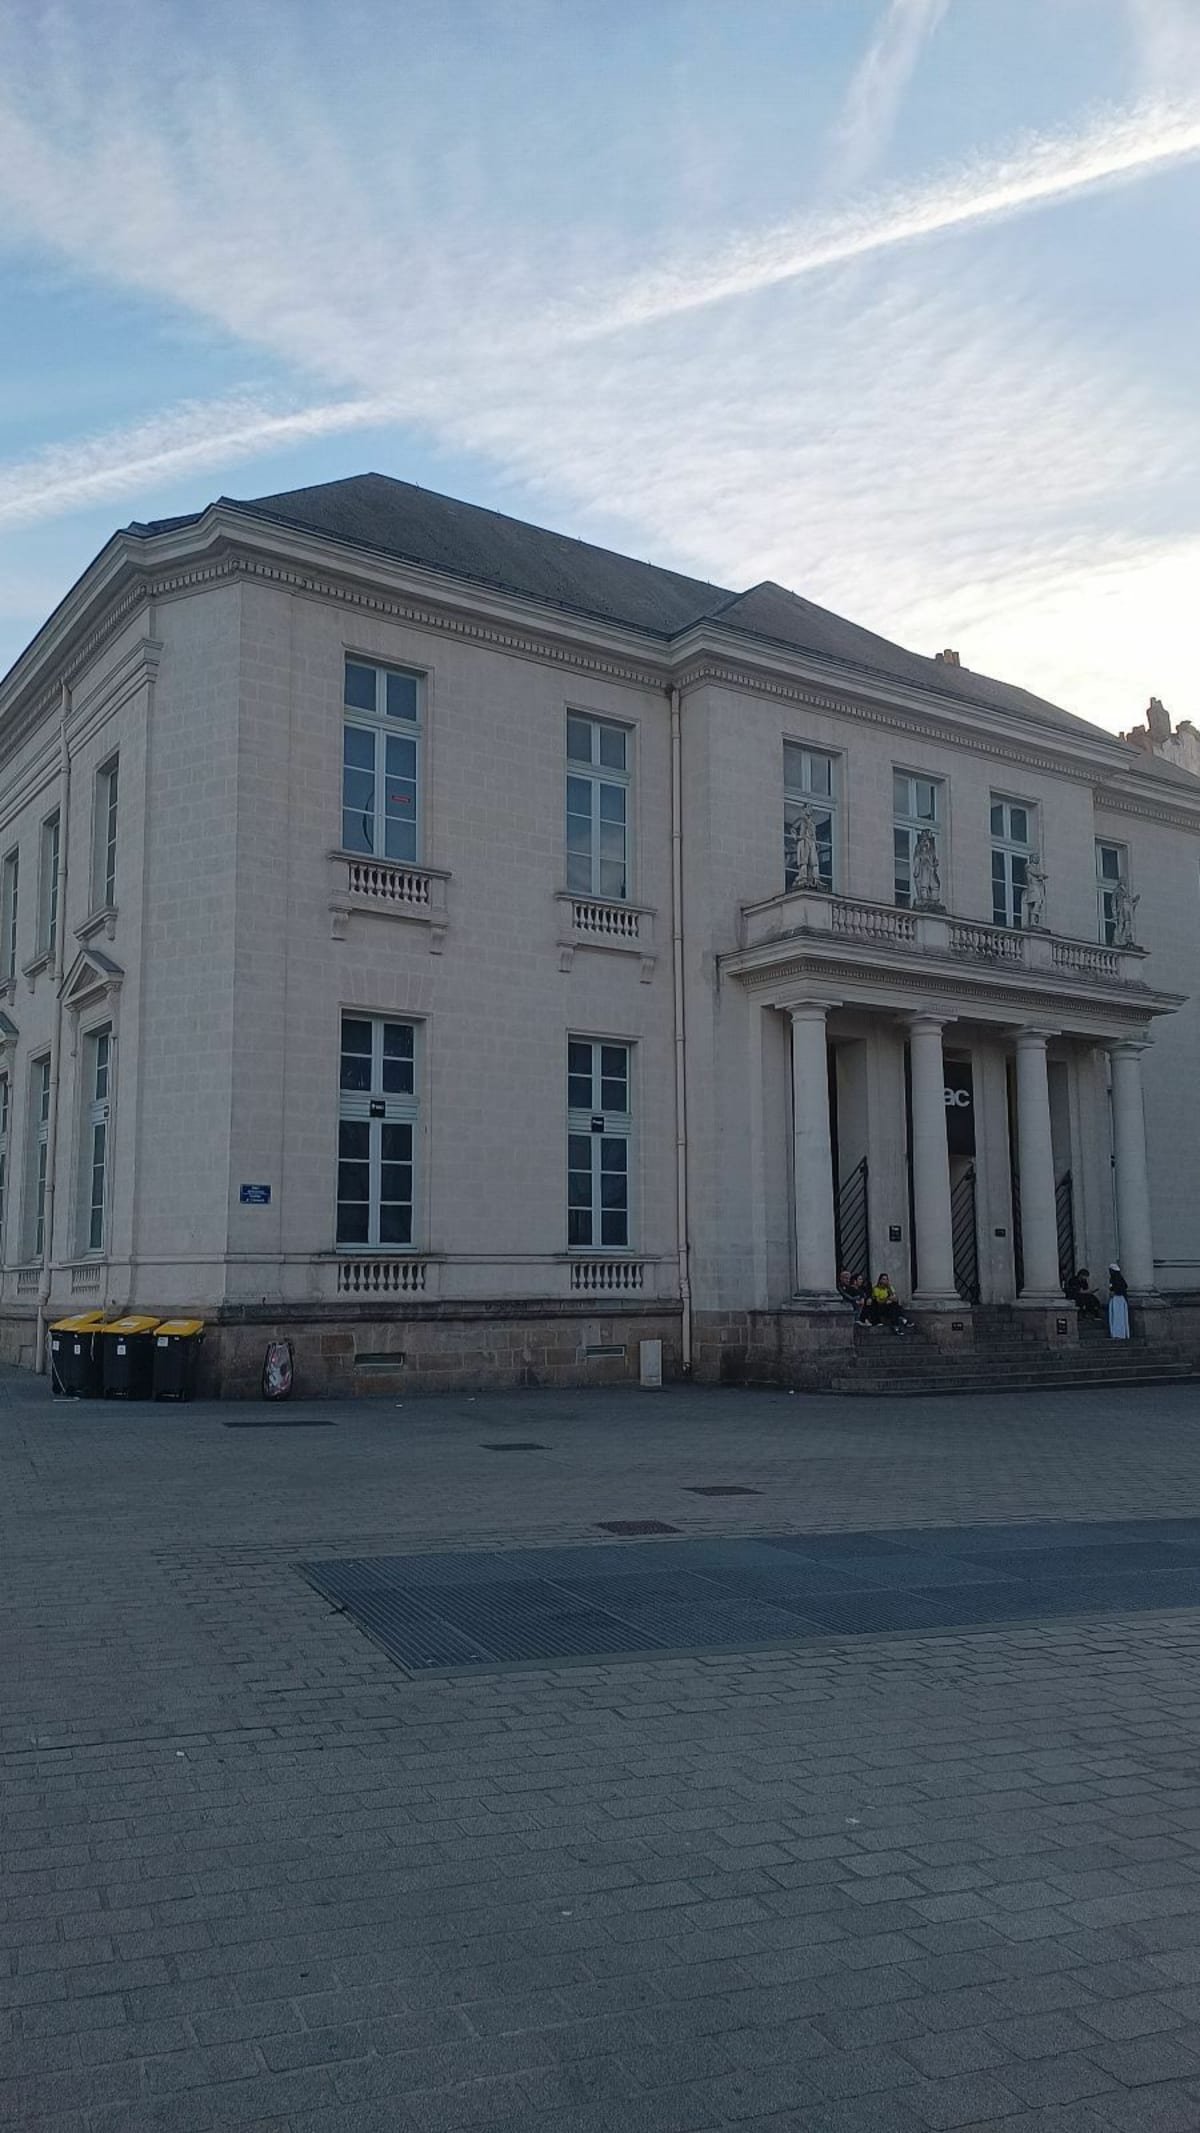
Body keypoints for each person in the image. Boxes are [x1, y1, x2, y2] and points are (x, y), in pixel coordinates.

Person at [1107, 1263, 1131, 1341]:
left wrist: (1114, 1292)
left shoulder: (1115, 1279)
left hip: (1117, 1299)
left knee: (1117, 1316)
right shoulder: (1117, 1279)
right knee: (1117, 1316)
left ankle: (1118, 1333)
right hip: (1118, 1299)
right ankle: (1118, 1333)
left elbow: (1119, 1288)